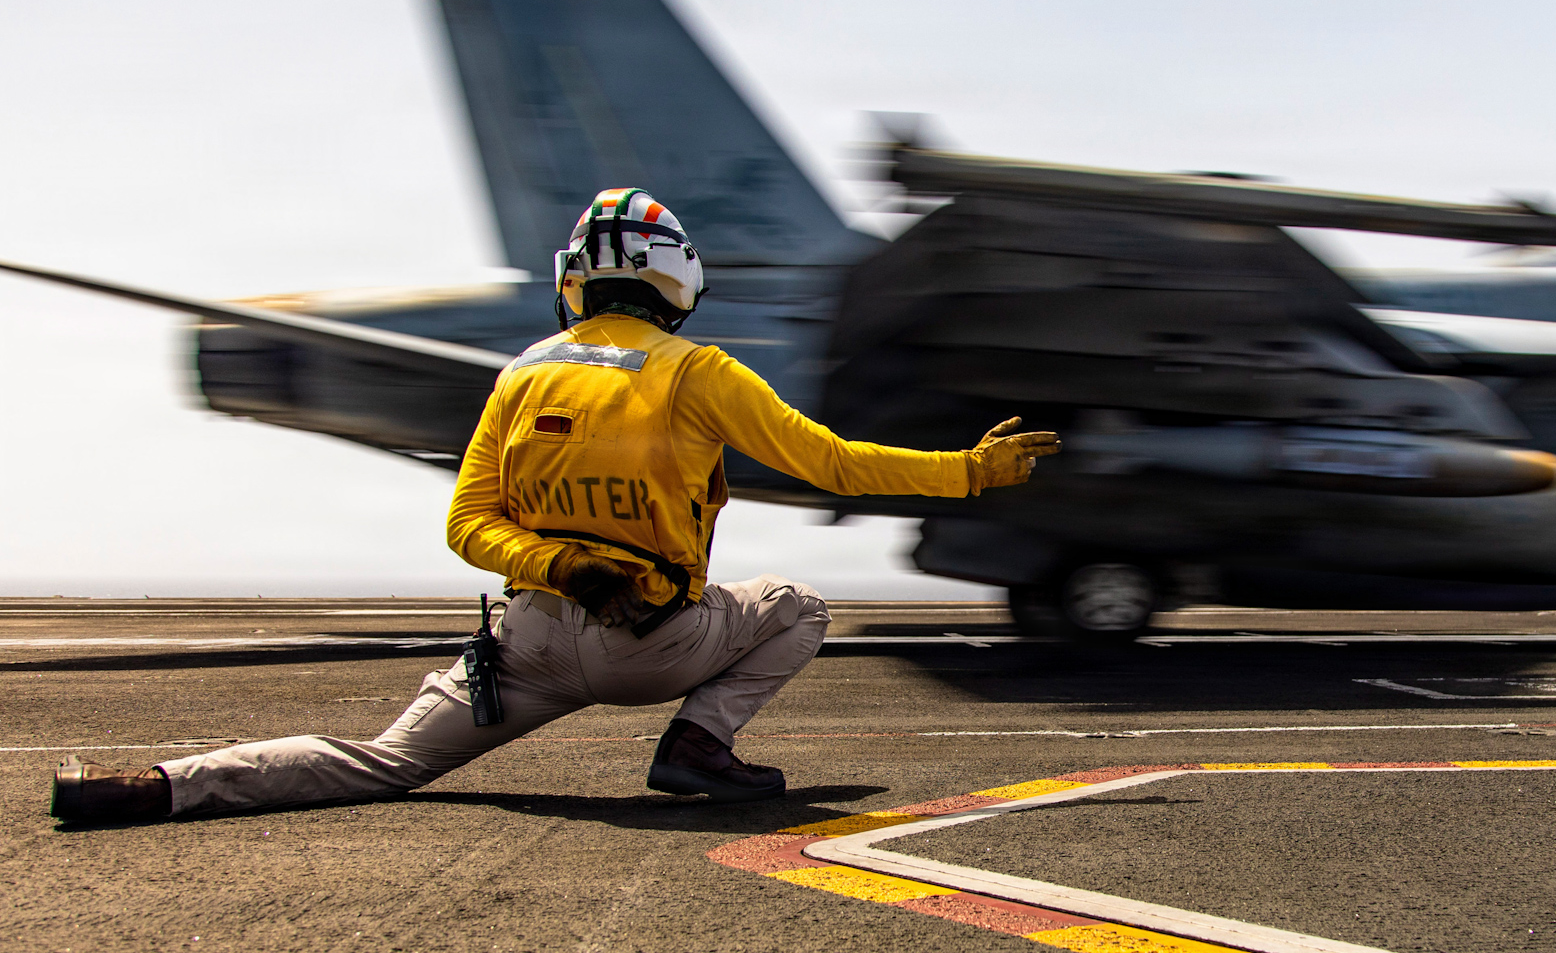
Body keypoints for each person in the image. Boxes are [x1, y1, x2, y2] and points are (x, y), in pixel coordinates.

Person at [50, 188, 1061, 824]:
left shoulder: (518, 378)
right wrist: (968, 473)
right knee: (797, 604)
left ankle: (155, 785)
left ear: (574, 284)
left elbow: (467, 526)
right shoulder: (698, 369)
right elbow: (831, 465)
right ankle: (699, 744)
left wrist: (560, 566)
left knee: (379, 763)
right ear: (678, 282)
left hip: (527, 645)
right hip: (656, 646)